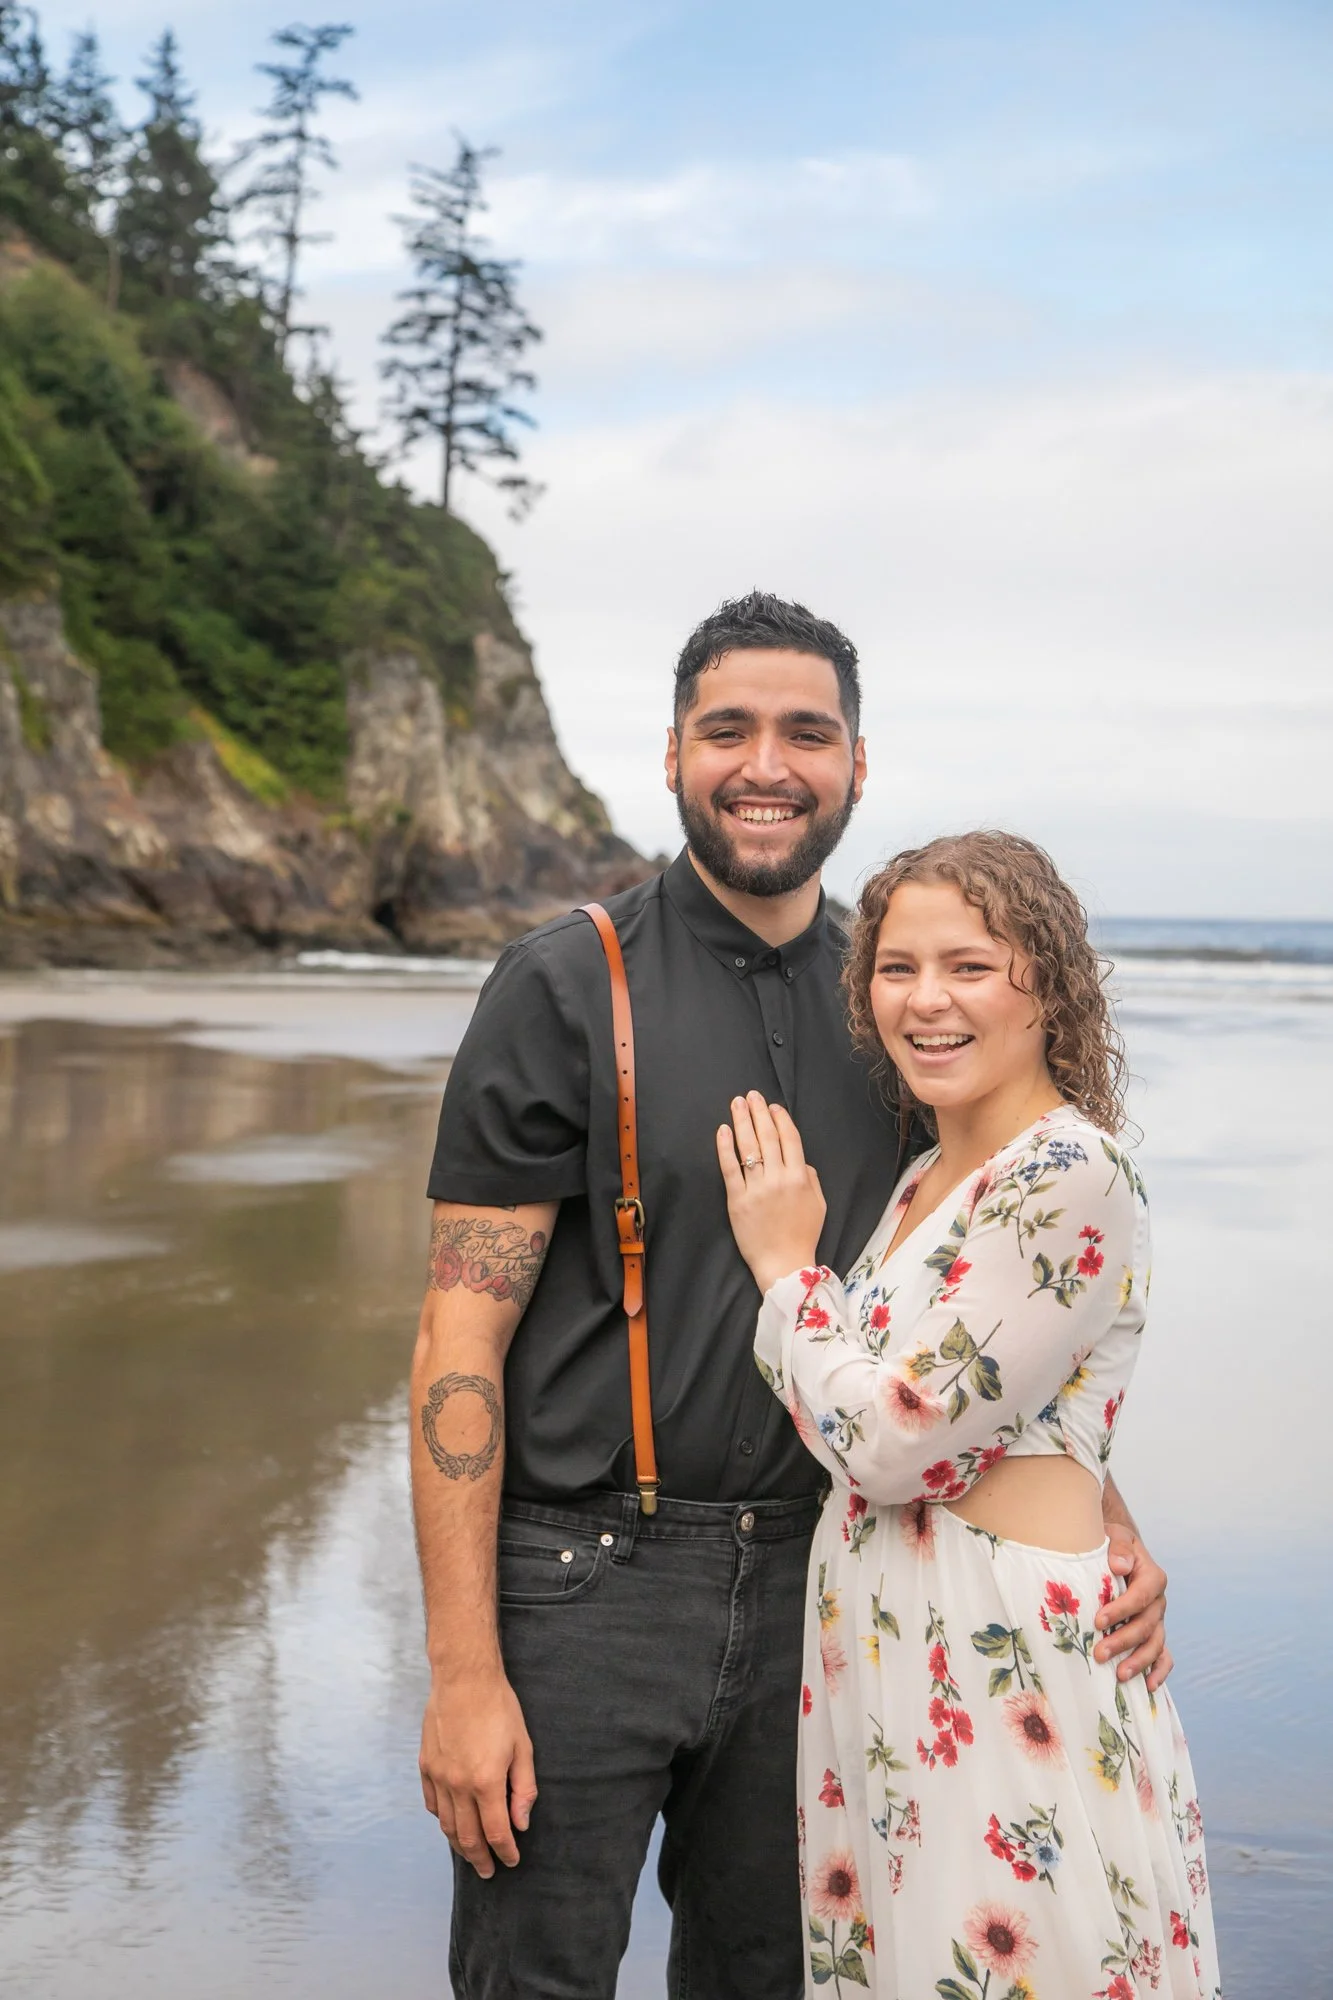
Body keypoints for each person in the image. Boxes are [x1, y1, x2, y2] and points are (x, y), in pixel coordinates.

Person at [411, 596, 1172, 2000]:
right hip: (583, 1586)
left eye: (806, 733)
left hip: (834, 1589)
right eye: (728, 730)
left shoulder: (896, 1004)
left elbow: (980, 1314)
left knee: (781, 1979)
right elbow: (461, 1331)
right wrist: (463, 1669)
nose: (766, 764)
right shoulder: (565, 983)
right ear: (672, 754)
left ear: (856, 765)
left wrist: (1102, 1520)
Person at [718, 830, 1220, 1999]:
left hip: (1002, 1660)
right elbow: (986, 1411)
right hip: (893, 1660)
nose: (926, 998)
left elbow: (894, 1441)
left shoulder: (1070, 1171)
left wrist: (785, 1266)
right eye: (896, 967)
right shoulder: (923, 1179)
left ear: (1047, 984)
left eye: (970, 965)